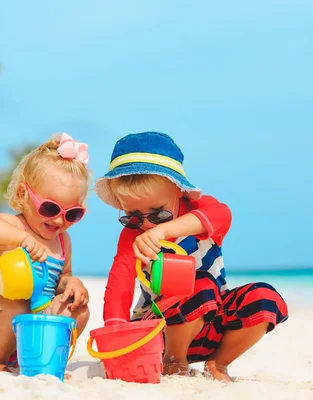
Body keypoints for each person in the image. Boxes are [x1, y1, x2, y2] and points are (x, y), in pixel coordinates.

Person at [94, 131, 288, 382]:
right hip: (158, 331)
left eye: (158, 213)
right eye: (132, 216)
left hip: (214, 323)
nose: (146, 224)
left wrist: (166, 230)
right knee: (195, 285)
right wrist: (115, 328)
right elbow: (119, 285)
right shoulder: (132, 237)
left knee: (263, 297)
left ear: (178, 192)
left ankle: (218, 363)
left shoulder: (201, 213)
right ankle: (174, 361)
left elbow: (222, 215)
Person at [0, 133, 91, 372]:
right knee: (17, 304)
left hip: (32, 335)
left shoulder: (63, 241)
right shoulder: (12, 228)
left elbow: (62, 277)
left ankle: (47, 360)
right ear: (24, 195)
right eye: (50, 207)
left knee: (79, 311)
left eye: (72, 213)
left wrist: (71, 283)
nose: (58, 219)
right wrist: (21, 239)